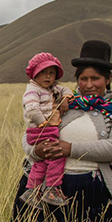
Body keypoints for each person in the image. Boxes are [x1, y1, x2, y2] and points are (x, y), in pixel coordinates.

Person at [12, 40, 112, 222]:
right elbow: (28, 136)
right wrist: (38, 151)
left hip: (96, 192)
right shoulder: (63, 104)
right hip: (50, 189)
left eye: (95, 78)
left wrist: (70, 149)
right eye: (83, 79)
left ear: (107, 80)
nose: (88, 84)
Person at [19, 53, 74, 207]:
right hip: (40, 130)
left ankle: (31, 190)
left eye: (51, 73)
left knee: (41, 162)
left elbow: (66, 90)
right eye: (43, 72)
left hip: (44, 129)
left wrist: (66, 98)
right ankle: (51, 188)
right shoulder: (32, 90)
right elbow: (31, 109)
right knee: (56, 156)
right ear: (34, 74)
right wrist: (43, 122)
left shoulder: (52, 88)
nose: (47, 76)